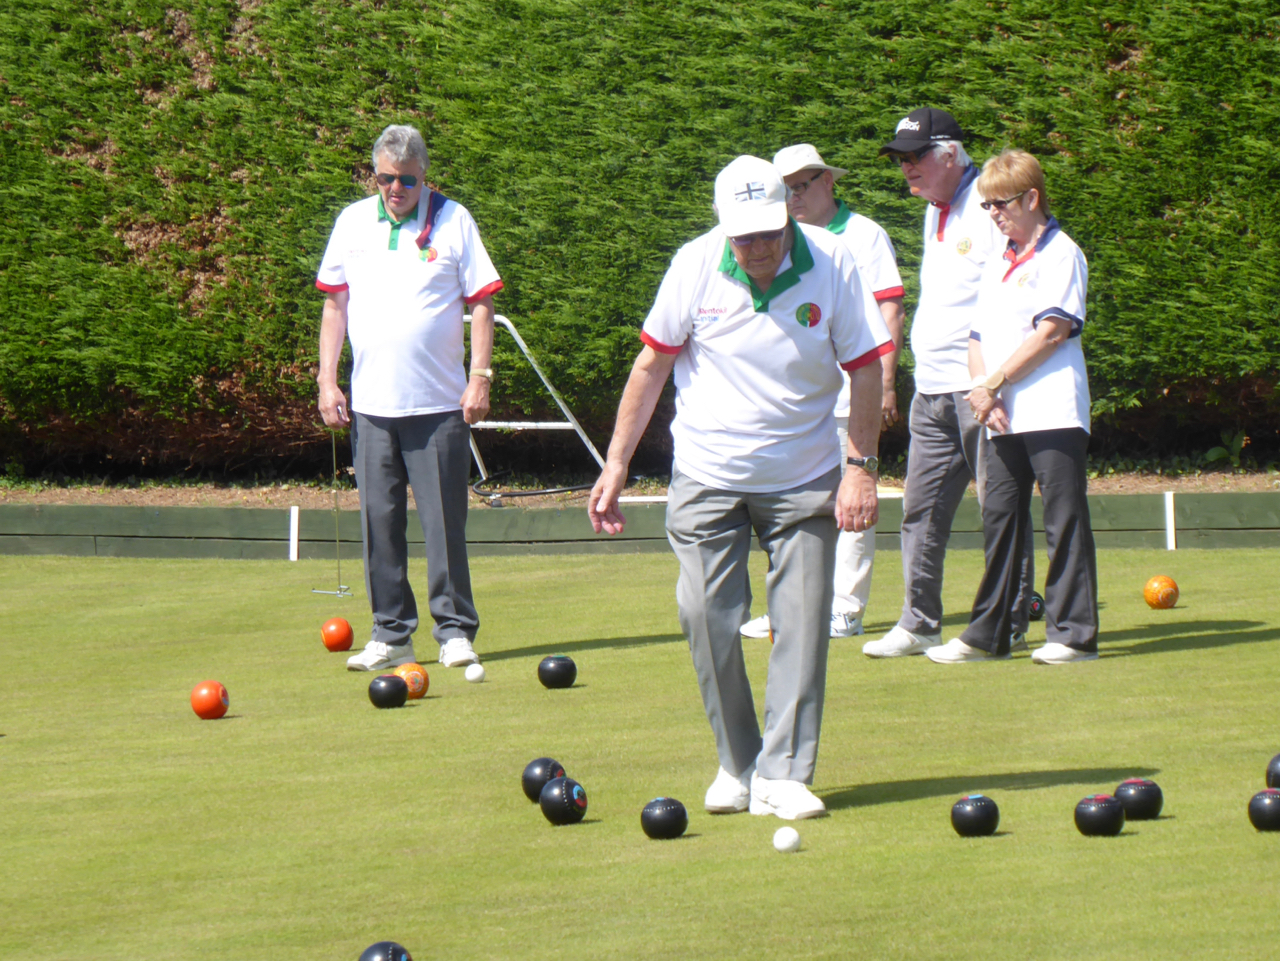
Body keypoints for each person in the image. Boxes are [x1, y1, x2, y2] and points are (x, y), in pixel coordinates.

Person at [588, 156, 892, 820]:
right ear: (724, 226)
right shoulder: (695, 263)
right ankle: (740, 762)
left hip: (804, 474)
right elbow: (652, 365)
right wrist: (616, 463)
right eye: (744, 236)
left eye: (769, 233)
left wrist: (860, 466)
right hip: (707, 472)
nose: (758, 249)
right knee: (705, 616)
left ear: (787, 215)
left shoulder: (834, 260)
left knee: (802, 623)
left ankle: (785, 773)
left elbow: (867, 368)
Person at [315, 124, 503, 672]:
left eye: (406, 180)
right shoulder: (352, 222)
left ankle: (455, 632)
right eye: (384, 178)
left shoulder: (454, 219)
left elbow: (482, 302)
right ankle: (391, 633)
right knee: (379, 524)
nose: (395, 189)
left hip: (439, 405)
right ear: (373, 175)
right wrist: (327, 380)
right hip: (371, 407)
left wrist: (480, 376)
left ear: (424, 176)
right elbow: (334, 306)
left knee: (444, 526)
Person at [863, 108, 1034, 659]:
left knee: (999, 509)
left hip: (980, 390)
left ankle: (1008, 622)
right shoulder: (932, 210)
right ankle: (919, 623)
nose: (906, 168)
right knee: (920, 510)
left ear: (951, 154)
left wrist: (993, 379)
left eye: (915, 156)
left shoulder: (988, 204)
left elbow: (1012, 291)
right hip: (931, 388)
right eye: (900, 159)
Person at [927, 149, 1099, 664]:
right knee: (1001, 519)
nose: (993, 214)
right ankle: (990, 635)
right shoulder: (998, 260)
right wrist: (984, 392)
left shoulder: (1062, 253)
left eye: (1001, 204)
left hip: (1053, 409)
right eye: (986, 206)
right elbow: (976, 335)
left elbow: (1051, 332)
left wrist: (994, 384)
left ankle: (1073, 635)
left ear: (1032, 198)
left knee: (1063, 519)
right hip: (1001, 413)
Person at [733, 144, 905, 641]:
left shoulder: (864, 235)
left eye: (801, 185)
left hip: (852, 394)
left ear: (828, 181)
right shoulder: (778, 239)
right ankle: (791, 606)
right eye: (785, 189)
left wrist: (885, 381)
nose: (793, 197)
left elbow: (890, 310)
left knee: (853, 493)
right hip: (798, 402)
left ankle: (845, 608)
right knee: (790, 501)